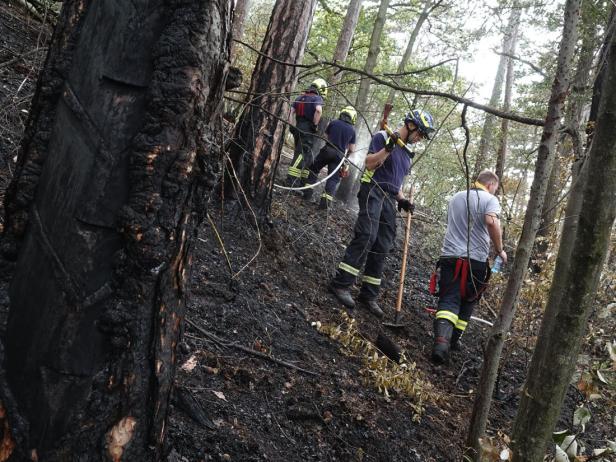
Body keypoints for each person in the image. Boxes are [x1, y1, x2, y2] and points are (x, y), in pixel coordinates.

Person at [328, 110, 436, 317]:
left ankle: (368, 295)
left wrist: (402, 200)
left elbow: (397, 183)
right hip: (373, 190)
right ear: (411, 125)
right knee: (367, 234)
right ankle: (341, 284)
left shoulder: (407, 153)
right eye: (420, 134)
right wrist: (388, 148)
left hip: (388, 197)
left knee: (384, 243)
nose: (420, 139)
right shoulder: (383, 137)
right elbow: (369, 164)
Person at [431, 170, 508, 365]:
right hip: (475, 260)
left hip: (449, 256)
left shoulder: (457, 197)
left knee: (449, 298)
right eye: (495, 189)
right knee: (469, 299)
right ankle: (453, 340)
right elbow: (491, 221)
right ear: (490, 185)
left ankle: (442, 343)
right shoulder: (490, 199)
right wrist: (499, 249)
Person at [304, 106, 357, 209]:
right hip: (339, 155)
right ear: (352, 117)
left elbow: (325, 136)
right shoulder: (352, 130)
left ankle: (307, 194)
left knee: (314, 169)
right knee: (333, 179)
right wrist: (345, 157)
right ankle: (324, 205)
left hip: (327, 150)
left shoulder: (334, 122)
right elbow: (352, 149)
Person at [287, 78, 327, 186]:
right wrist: (314, 125)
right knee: (301, 154)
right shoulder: (317, 98)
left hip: (298, 127)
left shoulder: (300, 97)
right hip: (307, 130)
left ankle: (299, 181)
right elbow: (318, 110)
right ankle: (291, 181)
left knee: (302, 154)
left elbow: (290, 111)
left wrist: (291, 124)